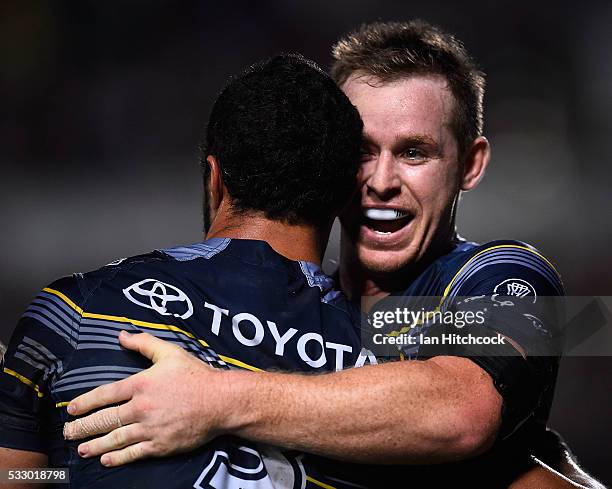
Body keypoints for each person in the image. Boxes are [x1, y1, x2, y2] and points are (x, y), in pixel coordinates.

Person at [59, 20, 606, 489]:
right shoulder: (284, 305)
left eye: (415, 152)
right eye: (362, 152)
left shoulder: (507, 274)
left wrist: (215, 400)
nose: (383, 181)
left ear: (470, 164)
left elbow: (461, 411)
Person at [0, 53, 372, 488]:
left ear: (214, 177)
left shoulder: (76, 308)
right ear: (347, 198)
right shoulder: (391, 354)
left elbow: (18, 475)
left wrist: (63, 471)